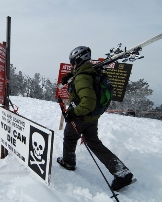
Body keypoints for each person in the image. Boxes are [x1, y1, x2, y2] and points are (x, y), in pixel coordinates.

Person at [57, 46, 133, 191]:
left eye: (73, 62)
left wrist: (74, 113)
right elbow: (83, 79)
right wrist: (69, 76)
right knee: (94, 143)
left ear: (77, 61)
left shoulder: (81, 77)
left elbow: (88, 102)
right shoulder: (91, 71)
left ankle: (68, 162)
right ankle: (121, 172)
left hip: (81, 117)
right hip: (92, 118)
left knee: (70, 137)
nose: (72, 65)